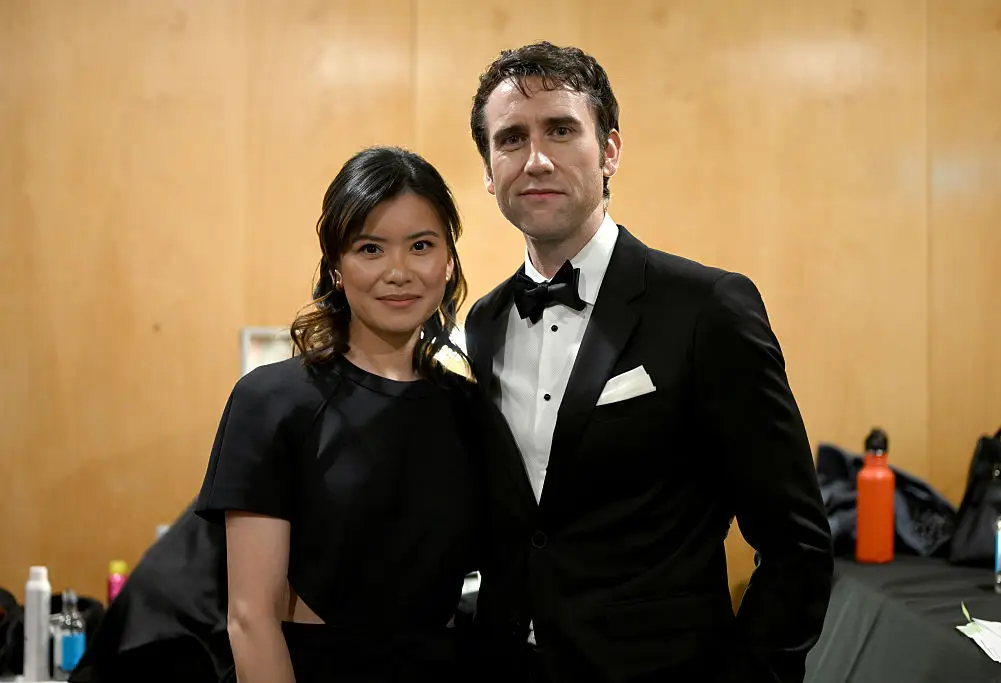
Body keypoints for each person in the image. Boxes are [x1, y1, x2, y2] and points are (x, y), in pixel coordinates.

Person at [463, 42, 834, 683]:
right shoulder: (485, 322)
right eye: (511, 139)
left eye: (561, 129)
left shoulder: (707, 308)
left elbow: (797, 541)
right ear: (490, 174)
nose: (537, 159)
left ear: (609, 150)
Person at [194, 146, 484, 683]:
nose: (398, 272)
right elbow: (250, 618)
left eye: (421, 245)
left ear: (448, 261)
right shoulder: (272, 401)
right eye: (370, 248)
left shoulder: (471, 411)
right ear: (335, 264)